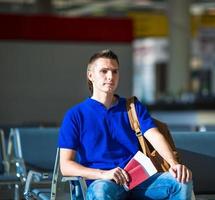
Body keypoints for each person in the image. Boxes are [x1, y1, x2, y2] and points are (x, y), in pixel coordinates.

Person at [59, 49, 193, 200]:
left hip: (139, 179)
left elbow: (154, 135)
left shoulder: (132, 108)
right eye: (104, 71)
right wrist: (103, 174)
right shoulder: (75, 115)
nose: (110, 76)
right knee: (100, 192)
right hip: (103, 181)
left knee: (181, 182)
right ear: (90, 76)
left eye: (115, 71)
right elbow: (65, 166)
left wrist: (174, 164)